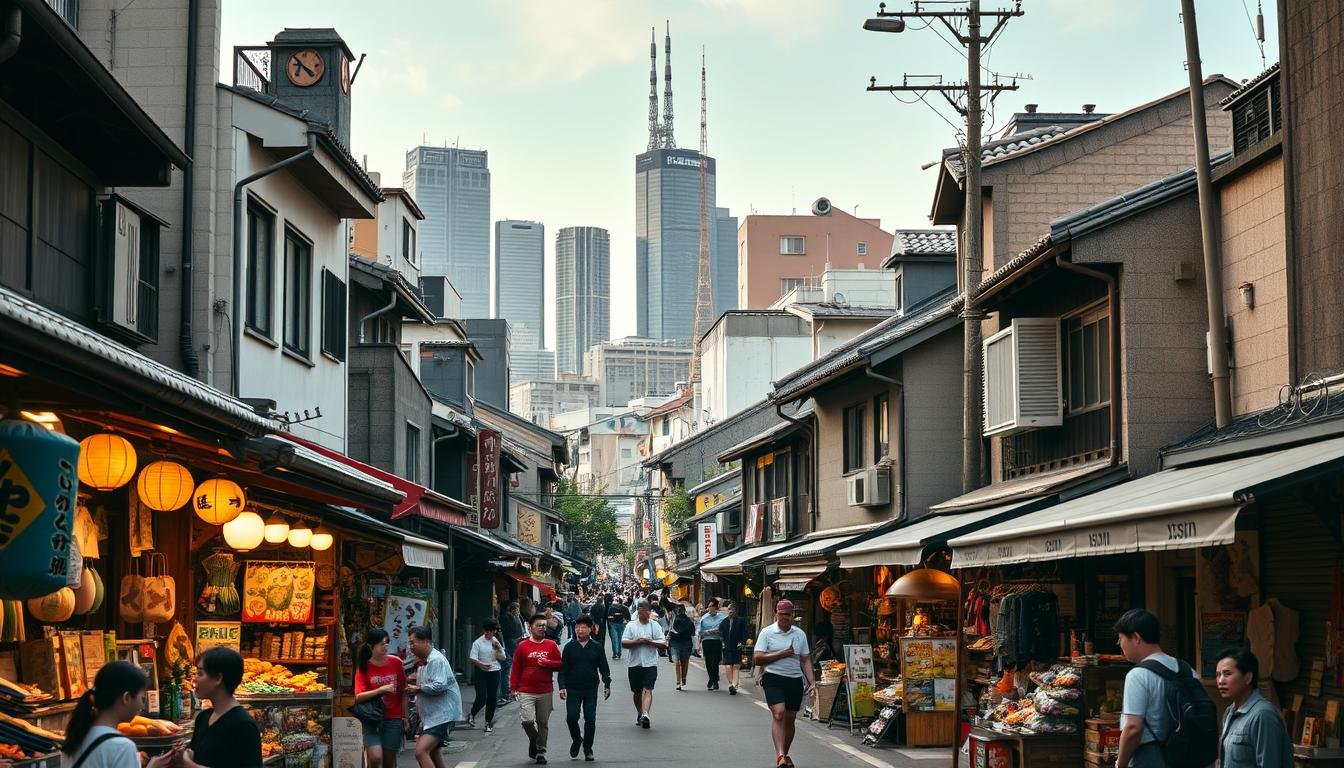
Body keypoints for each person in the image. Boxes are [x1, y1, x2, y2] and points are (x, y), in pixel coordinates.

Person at [1113, 608, 1199, 768]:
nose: (1119, 644)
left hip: (1150, 757)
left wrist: (1121, 763)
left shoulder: (1138, 675)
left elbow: (1133, 728)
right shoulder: (1188, 670)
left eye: (1120, 638)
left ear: (1136, 637)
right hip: (1187, 757)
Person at [61, 661, 174, 768]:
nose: (142, 706)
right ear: (126, 698)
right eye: (142, 698)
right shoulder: (121, 746)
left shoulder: (74, 739)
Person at [753, 599, 816, 768]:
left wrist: (812, 682)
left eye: (787, 614)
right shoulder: (767, 633)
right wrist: (782, 653)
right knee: (779, 713)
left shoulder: (799, 634)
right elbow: (757, 658)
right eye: (781, 614)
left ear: (792, 616)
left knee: (790, 718)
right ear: (775, 614)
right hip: (773, 678)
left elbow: (806, 660)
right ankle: (780, 755)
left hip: (795, 680)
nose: (784, 617)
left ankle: (784, 755)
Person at [183, 648, 263, 768]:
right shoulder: (203, 717)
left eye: (200, 673)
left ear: (218, 679)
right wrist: (185, 755)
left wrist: (188, 764)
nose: (194, 679)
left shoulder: (243, 725)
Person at [1215, 646, 1293, 768]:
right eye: (1218, 675)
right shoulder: (1229, 712)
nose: (1220, 681)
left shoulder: (1263, 715)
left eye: (1227, 674)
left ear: (1248, 678)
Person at [406, 625, 462, 768]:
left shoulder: (435, 660)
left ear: (425, 641)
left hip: (441, 715)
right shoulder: (424, 660)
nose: (411, 646)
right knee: (433, 752)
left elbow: (439, 685)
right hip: (433, 715)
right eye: (410, 643)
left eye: (413, 642)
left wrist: (418, 689)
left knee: (421, 751)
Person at [511, 614, 563, 765]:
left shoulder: (551, 645)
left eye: (544, 625)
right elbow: (516, 668)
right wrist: (513, 688)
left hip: (545, 689)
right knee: (527, 720)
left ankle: (541, 751)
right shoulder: (522, 646)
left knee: (542, 723)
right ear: (530, 627)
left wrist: (547, 663)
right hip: (526, 689)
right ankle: (534, 740)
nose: (542, 628)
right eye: (538, 625)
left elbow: (560, 664)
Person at [352, 628, 408, 768]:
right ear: (372, 646)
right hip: (372, 718)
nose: (386, 646)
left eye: (387, 643)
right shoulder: (364, 667)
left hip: (393, 717)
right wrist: (380, 690)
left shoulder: (396, 663)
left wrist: (405, 717)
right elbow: (358, 697)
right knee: (376, 757)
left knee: (389, 761)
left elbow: (404, 691)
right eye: (382, 644)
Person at [558, 615, 611, 761]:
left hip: (590, 687)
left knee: (590, 718)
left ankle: (588, 748)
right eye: (577, 627)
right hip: (573, 687)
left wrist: (607, 684)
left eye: (583, 627)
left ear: (590, 629)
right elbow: (562, 668)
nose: (579, 630)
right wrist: (561, 686)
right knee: (571, 717)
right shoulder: (569, 647)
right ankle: (576, 739)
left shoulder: (597, 646)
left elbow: (604, 668)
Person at [621, 598, 667, 729]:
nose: (644, 613)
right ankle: (640, 712)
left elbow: (664, 644)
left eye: (646, 611)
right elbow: (624, 642)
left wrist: (650, 642)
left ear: (649, 611)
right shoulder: (631, 625)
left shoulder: (655, 625)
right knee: (636, 691)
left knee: (648, 689)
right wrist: (638, 641)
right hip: (634, 663)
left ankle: (646, 714)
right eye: (640, 611)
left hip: (650, 663)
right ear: (637, 611)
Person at [466, 619, 506, 734]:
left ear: (494, 631)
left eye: (491, 631)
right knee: (482, 696)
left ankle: (488, 722)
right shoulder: (478, 642)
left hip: (494, 671)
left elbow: (503, 658)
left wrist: (498, 648)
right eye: (486, 631)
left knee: (493, 697)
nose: (488, 633)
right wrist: (481, 664)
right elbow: (472, 657)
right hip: (481, 672)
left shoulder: (496, 641)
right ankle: (472, 713)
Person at [499, 601, 526, 705]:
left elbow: (521, 628)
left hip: (515, 643)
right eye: (516, 608)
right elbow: (512, 630)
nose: (518, 610)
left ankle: (511, 691)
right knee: (508, 668)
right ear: (512, 609)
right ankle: (508, 692)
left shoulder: (516, 616)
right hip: (511, 644)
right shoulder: (509, 617)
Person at [720, 601, 748, 695]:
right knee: (728, 665)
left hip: (737, 645)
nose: (730, 611)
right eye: (729, 609)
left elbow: (745, 632)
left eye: (732, 609)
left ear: (736, 610)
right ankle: (731, 684)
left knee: (736, 666)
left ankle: (734, 685)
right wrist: (722, 642)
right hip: (727, 646)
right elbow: (721, 633)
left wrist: (742, 642)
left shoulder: (741, 620)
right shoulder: (724, 621)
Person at [698, 599, 726, 690]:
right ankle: (712, 680)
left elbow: (724, 629)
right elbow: (699, 631)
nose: (709, 608)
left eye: (711, 606)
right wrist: (709, 632)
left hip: (717, 641)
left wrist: (718, 630)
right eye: (709, 606)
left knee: (715, 662)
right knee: (708, 662)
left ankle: (714, 680)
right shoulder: (704, 618)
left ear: (715, 608)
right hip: (707, 641)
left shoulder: (722, 617)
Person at [668, 606, 695, 690]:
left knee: (684, 662)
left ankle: (683, 678)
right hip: (675, 643)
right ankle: (678, 682)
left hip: (686, 644)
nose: (679, 612)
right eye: (677, 610)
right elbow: (669, 630)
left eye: (681, 610)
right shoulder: (673, 620)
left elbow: (692, 633)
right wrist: (669, 635)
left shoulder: (689, 621)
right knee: (676, 662)